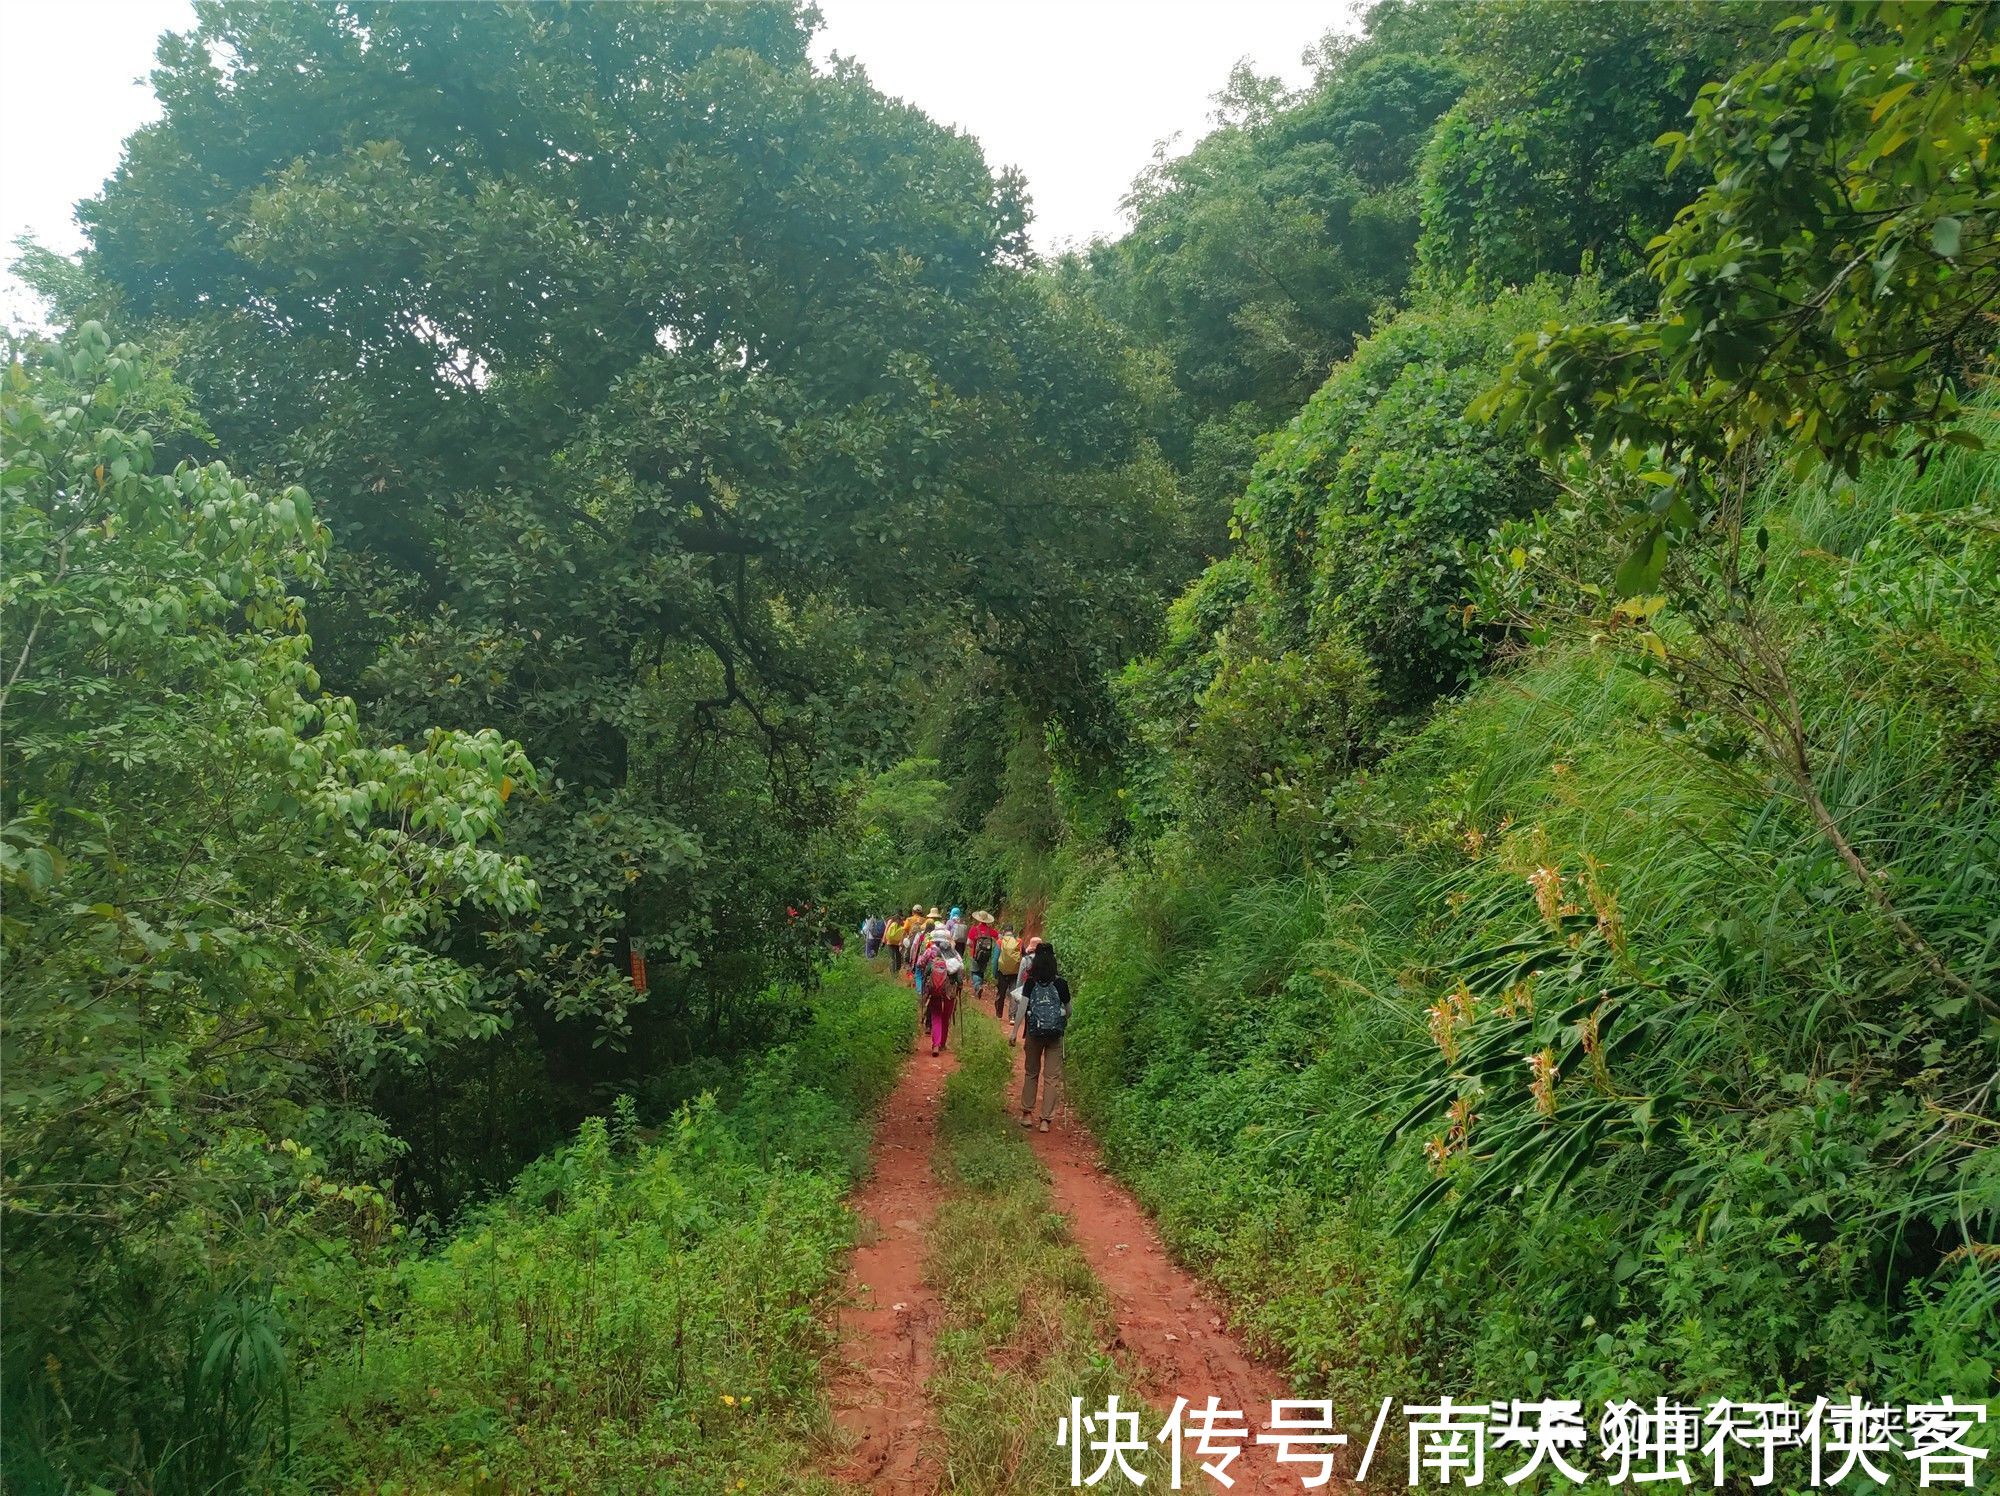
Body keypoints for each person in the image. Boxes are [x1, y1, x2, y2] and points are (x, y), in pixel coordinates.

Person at [1017, 941, 1070, 1131]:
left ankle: (1027, 1114)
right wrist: (1060, 1018)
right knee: (1051, 1077)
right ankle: (1046, 1120)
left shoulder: (1031, 982)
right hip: (1055, 1035)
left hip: (1034, 1033)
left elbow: (1022, 1008)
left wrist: (1014, 1033)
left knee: (1031, 1072)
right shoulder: (1061, 983)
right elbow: (1069, 1010)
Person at [1005, 935, 1039, 1046]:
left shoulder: (1026, 959)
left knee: (1025, 1011)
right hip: (1042, 991)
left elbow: (1020, 978)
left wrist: (1018, 989)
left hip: (1027, 989)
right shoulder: (1046, 960)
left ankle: (1024, 1034)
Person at [965, 909, 1000, 1013]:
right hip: (986, 956)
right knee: (981, 971)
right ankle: (979, 985)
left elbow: (969, 943)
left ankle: (978, 986)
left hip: (975, 955)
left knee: (974, 972)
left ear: (978, 919)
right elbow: (999, 937)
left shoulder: (974, 929)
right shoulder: (990, 930)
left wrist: (973, 947)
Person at [996, 925, 1023, 1023]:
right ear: (1013, 931)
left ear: (1004, 931)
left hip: (1002, 971)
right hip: (1015, 972)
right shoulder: (1019, 941)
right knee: (1014, 993)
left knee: (1001, 992)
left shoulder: (1000, 942)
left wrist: (995, 972)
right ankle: (1012, 1017)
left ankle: (999, 1014)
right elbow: (1022, 956)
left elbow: (996, 958)